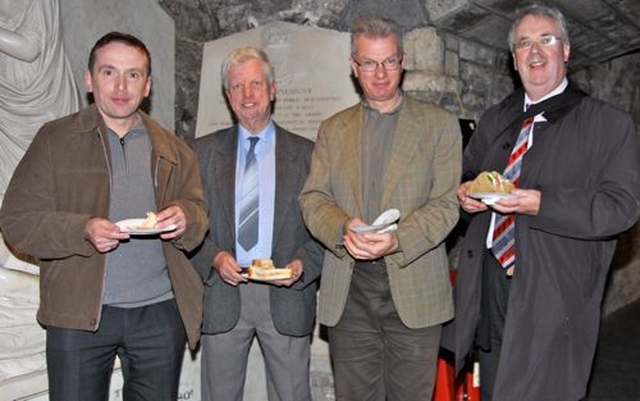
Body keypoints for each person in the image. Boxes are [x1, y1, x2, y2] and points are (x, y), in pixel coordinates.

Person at [446, 4, 640, 401]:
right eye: (523, 43)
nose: (535, 51)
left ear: (566, 50)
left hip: (554, 295)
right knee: (497, 389)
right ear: (513, 59)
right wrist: (466, 196)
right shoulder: (495, 118)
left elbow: (621, 207)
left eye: (546, 40)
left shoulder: (608, 124)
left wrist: (540, 203)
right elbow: (468, 175)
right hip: (491, 287)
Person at [0, 32, 209, 401]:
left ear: (148, 85)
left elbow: (198, 211)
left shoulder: (174, 149)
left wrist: (185, 217)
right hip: (79, 315)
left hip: (159, 313)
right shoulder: (55, 140)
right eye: (109, 72)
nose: (121, 86)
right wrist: (81, 230)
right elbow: (17, 219)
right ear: (89, 79)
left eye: (133, 75)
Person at [299, 16, 462, 400]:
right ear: (354, 68)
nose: (380, 73)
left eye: (389, 61)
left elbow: (446, 203)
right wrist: (342, 228)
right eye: (369, 63)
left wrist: (397, 240)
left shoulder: (439, 125)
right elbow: (313, 198)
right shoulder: (333, 129)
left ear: (403, 61)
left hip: (414, 288)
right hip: (350, 292)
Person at [190, 46, 323, 401]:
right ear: (227, 95)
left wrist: (303, 264)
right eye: (237, 87)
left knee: (292, 394)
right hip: (222, 292)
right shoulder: (201, 153)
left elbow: (326, 225)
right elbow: (188, 224)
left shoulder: (309, 154)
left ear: (273, 90)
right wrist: (214, 258)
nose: (247, 95)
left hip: (286, 293)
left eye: (255, 84)